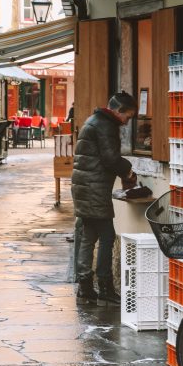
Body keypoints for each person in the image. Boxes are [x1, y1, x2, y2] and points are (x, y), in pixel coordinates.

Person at [71, 91, 138, 305]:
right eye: (127, 117)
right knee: (107, 236)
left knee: (88, 237)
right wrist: (128, 171)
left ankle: (85, 286)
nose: (127, 122)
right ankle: (105, 286)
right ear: (118, 111)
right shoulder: (106, 125)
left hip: (84, 188)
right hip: (95, 189)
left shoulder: (93, 120)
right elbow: (110, 158)